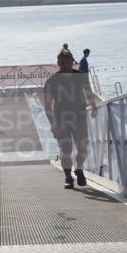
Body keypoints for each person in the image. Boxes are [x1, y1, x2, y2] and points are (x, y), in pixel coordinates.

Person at [44, 48, 99, 188]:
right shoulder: (51, 81)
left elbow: (89, 92)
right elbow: (48, 105)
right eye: (62, 62)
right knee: (66, 149)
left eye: (67, 62)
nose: (65, 65)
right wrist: (53, 124)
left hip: (79, 117)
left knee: (83, 148)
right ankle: (68, 177)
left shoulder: (80, 77)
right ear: (58, 63)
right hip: (61, 119)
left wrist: (94, 107)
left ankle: (79, 169)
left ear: (72, 62)